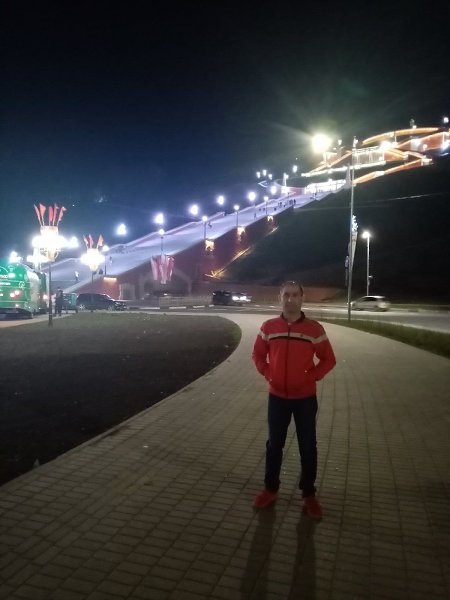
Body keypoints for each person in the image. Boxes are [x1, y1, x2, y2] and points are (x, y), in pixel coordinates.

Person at [252, 281, 336, 518]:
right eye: (286, 295)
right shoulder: (269, 327)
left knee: (308, 447)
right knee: (274, 445)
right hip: (277, 398)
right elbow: (257, 354)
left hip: (305, 399)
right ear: (280, 298)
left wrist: (312, 376)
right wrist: (268, 372)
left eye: (294, 295)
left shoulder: (314, 329)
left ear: (302, 298)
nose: (290, 299)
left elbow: (329, 359)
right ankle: (270, 489)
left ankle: (309, 494)